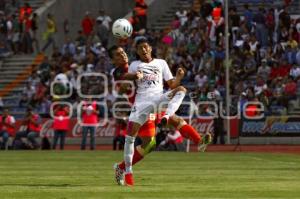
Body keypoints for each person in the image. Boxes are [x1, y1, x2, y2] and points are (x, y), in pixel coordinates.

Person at [112, 39, 211, 186]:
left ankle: (198, 141)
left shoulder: (161, 63)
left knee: (179, 98)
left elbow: (172, 85)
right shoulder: (134, 65)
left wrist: (179, 77)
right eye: (140, 48)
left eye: (146, 47)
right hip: (142, 106)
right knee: (149, 144)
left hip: (158, 100)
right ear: (137, 52)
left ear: (150, 48)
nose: (144, 50)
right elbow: (122, 79)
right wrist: (130, 80)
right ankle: (122, 168)